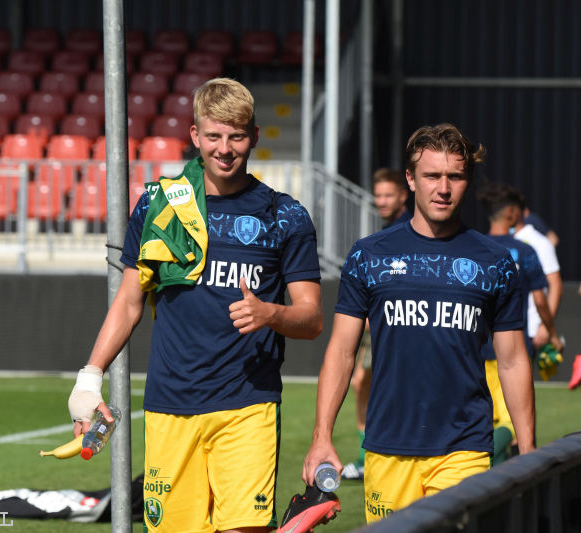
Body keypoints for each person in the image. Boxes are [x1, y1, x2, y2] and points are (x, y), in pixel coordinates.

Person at [67, 78, 323, 533]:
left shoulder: (285, 215)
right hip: (170, 407)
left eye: (237, 136)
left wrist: (271, 314)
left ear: (255, 136)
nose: (225, 148)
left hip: (247, 405)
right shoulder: (160, 205)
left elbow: (311, 318)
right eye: (214, 136)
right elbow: (129, 301)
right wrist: (90, 379)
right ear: (195, 137)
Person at [301, 123, 535, 523]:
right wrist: (322, 436)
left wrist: (529, 452)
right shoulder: (368, 255)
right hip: (387, 447)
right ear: (411, 179)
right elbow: (341, 351)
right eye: (432, 176)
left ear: (467, 181)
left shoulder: (495, 262)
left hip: (464, 448)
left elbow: (512, 360)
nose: (443, 188)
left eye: (455, 177)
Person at [476, 181, 562, 464]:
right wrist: (551, 332)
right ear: (512, 213)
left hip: (475, 349)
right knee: (514, 424)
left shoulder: (473, 248)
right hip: (513, 349)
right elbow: (540, 300)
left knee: (489, 418)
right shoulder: (523, 252)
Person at [342, 168, 411, 481]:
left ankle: (376, 455)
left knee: (379, 385)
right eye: (378, 195)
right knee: (362, 383)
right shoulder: (388, 230)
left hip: (397, 326)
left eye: (388, 195)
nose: (381, 201)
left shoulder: (408, 230)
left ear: (403, 195)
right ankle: (367, 455)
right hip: (378, 327)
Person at [513, 196, 563, 358]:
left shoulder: (537, 241)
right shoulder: (496, 239)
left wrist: (545, 326)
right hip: (500, 326)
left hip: (528, 326)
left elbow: (555, 285)